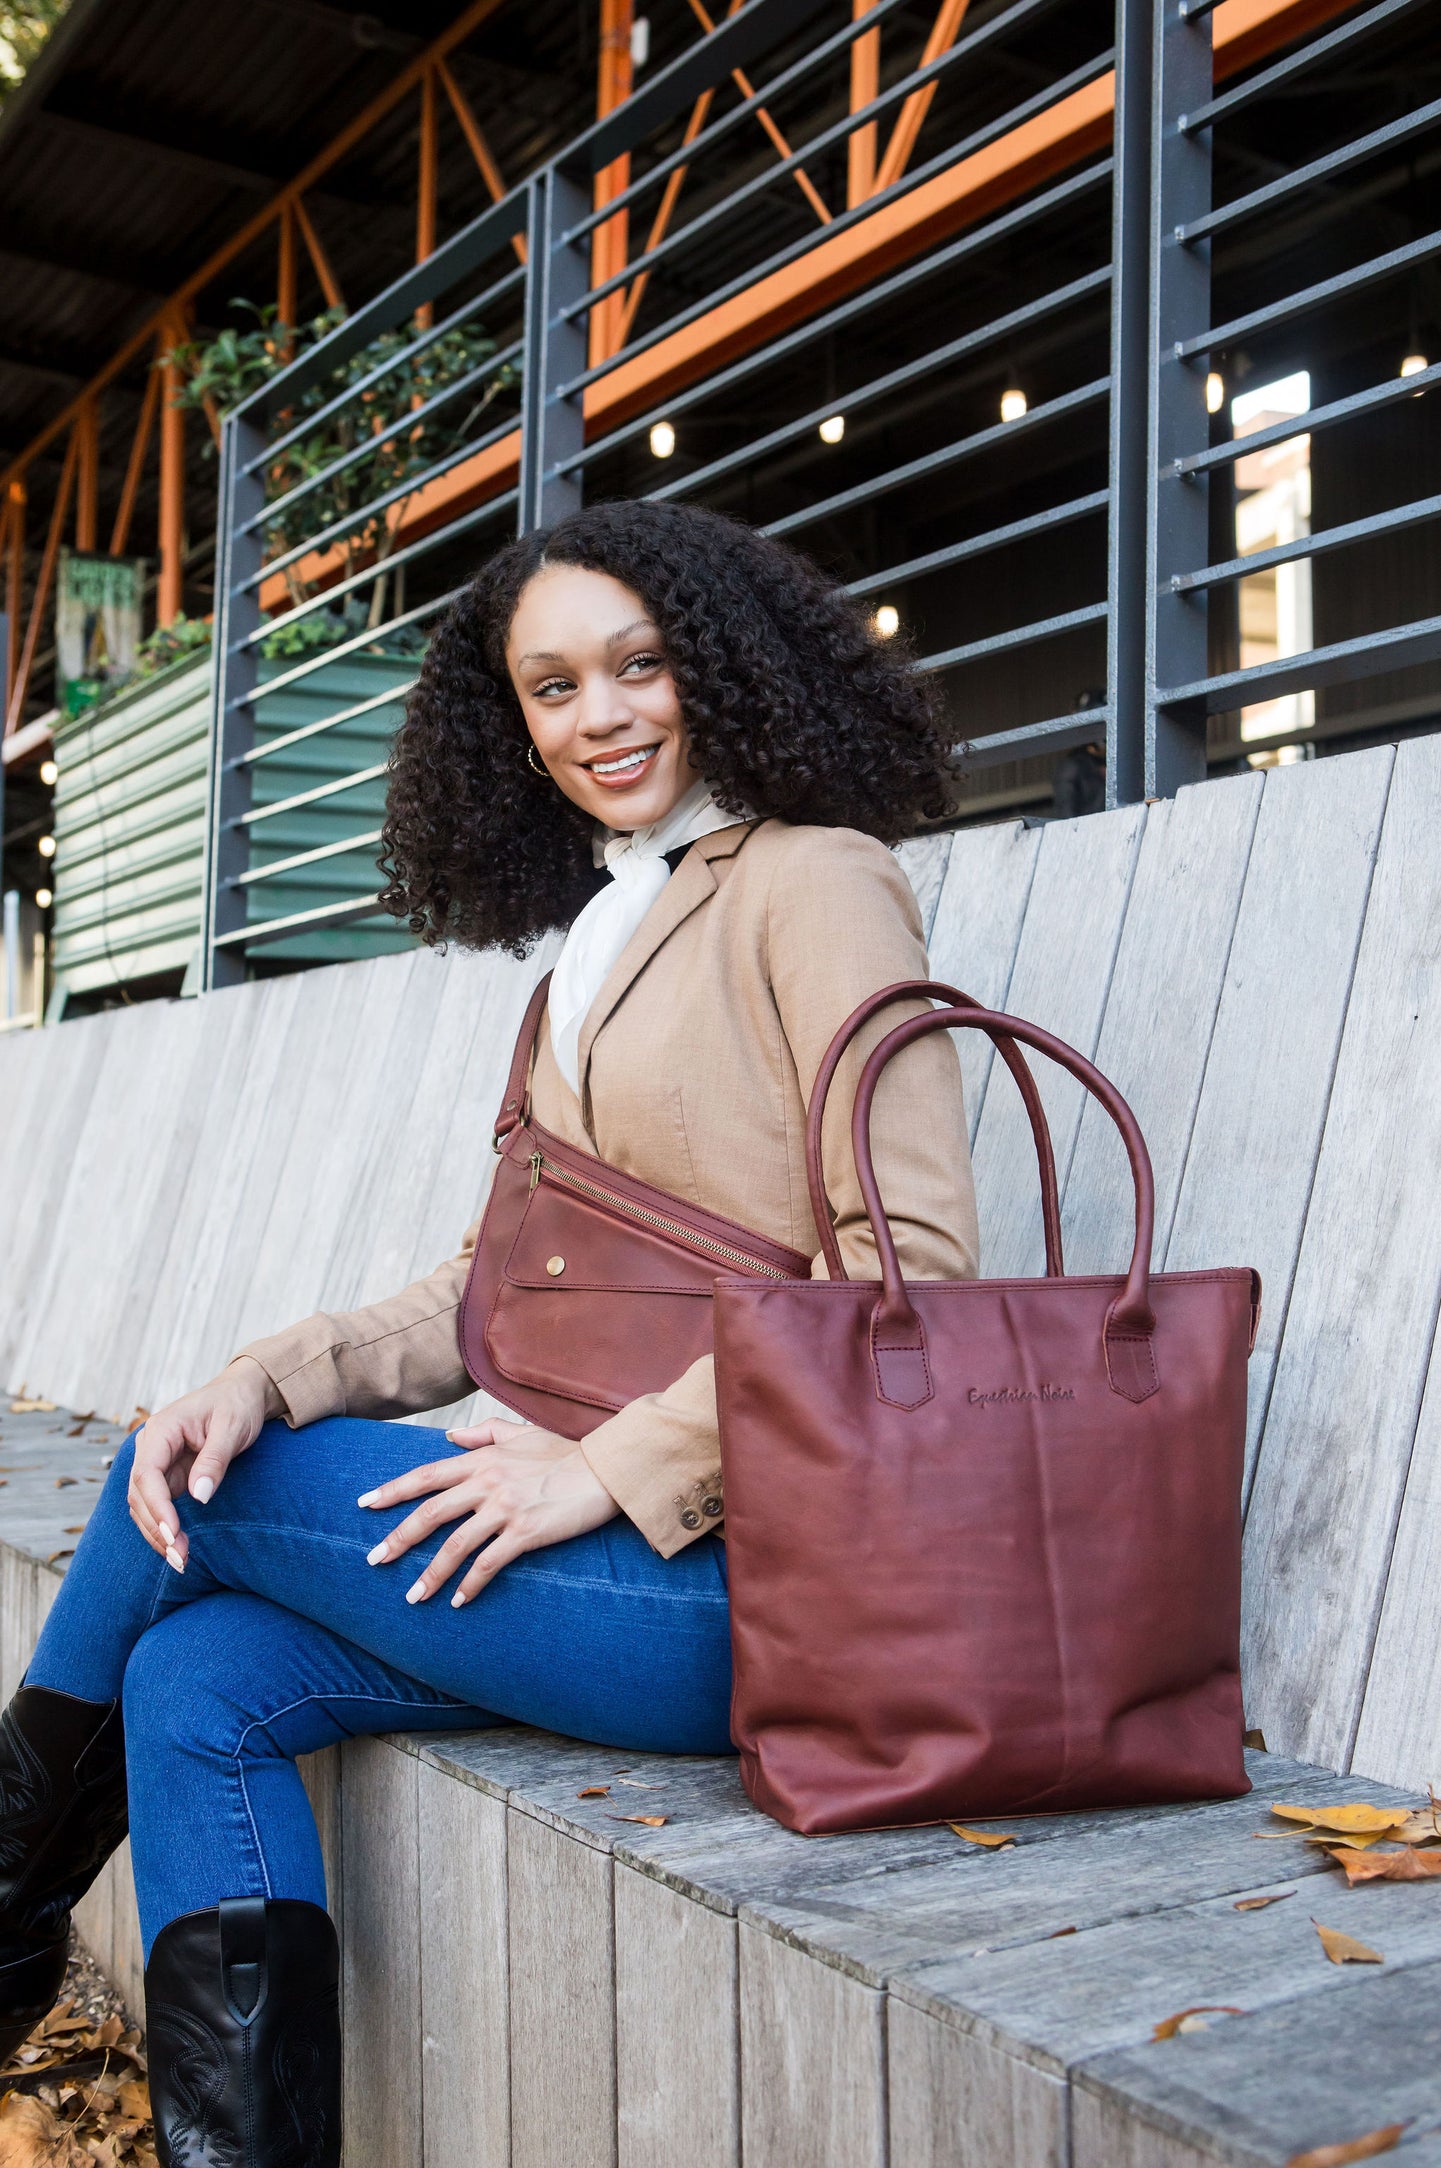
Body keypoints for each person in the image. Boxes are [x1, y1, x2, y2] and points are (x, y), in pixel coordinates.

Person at [0, 502, 978, 2166]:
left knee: (198, 1492)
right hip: (559, 1574)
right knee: (194, 1670)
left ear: (720, 669)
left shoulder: (814, 885)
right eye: (549, 688)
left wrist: (609, 1464)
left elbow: (912, 1273)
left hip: (744, 1582)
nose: (597, 716)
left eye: (636, 667)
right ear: (508, 725)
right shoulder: (582, 957)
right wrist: (256, 1370)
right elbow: (484, 1290)